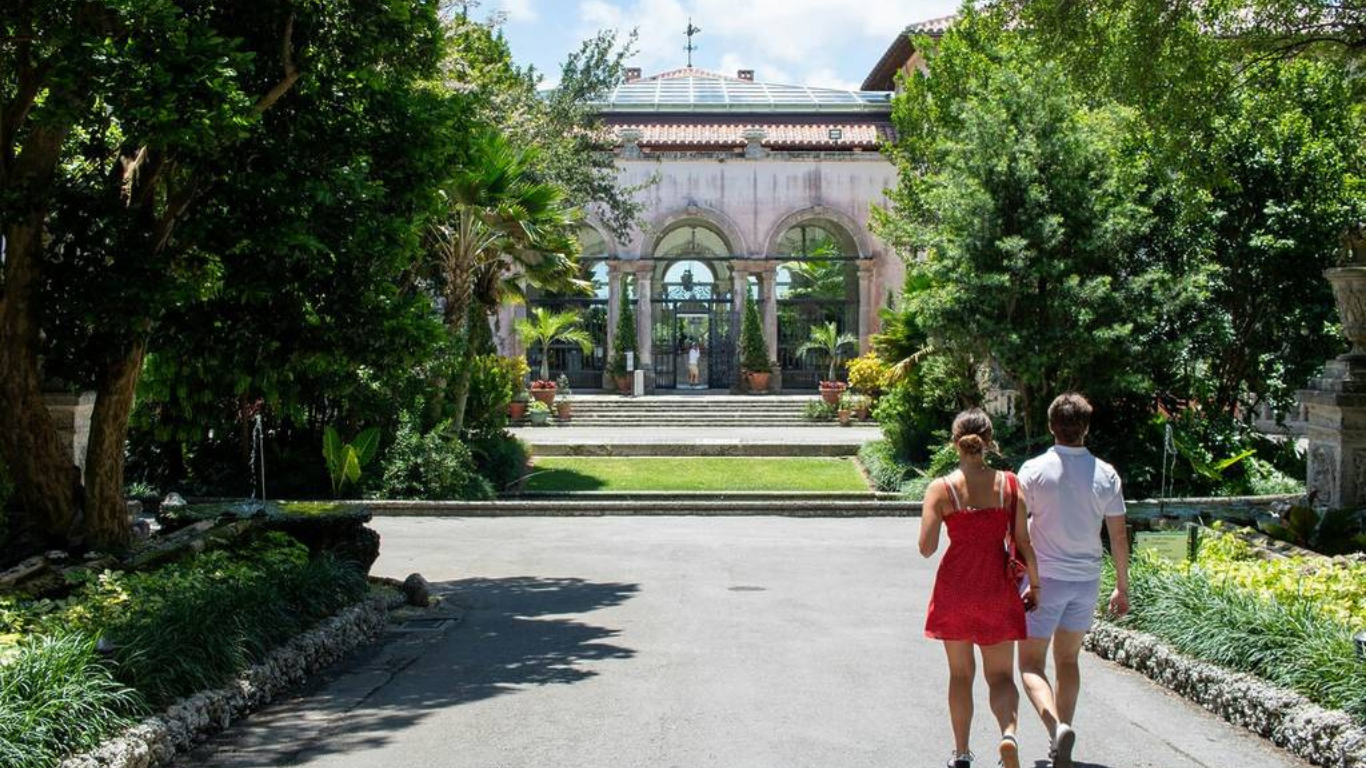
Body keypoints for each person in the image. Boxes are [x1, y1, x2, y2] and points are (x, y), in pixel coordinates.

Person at [922, 408, 1041, 768]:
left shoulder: (942, 488)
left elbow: (926, 547)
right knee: (1001, 676)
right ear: (989, 441)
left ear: (954, 442)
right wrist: (1034, 585)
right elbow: (1023, 542)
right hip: (997, 589)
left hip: (956, 590)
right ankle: (1008, 734)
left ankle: (961, 753)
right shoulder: (1009, 484)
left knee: (961, 675)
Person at [1016, 393, 1129, 768]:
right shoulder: (1106, 473)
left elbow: (1016, 533)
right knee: (1068, 659)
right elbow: (1118, 536)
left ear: (1051, 426)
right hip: (1086, 580)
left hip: (1044, 580)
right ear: (1087, 427)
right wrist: (1122, 586)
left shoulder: (1033, 471)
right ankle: (1063, 730)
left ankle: (1054, 729)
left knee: (1031, 664)